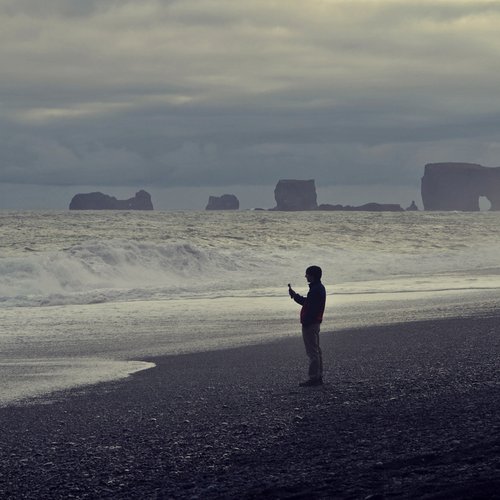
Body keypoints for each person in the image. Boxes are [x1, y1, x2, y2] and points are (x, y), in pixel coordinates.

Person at [288, 266, 326, 387]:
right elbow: (308, 303)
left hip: (311, 324)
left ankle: (314, 378)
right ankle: (318, 376)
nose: (305, 276)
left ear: (312, 276)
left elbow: (310, 307)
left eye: (307, 274)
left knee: (312, 352)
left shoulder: (315, 290)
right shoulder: (318, 288)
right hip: (315, 322)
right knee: (316, 350)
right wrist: (295, 296)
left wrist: (306, 321)